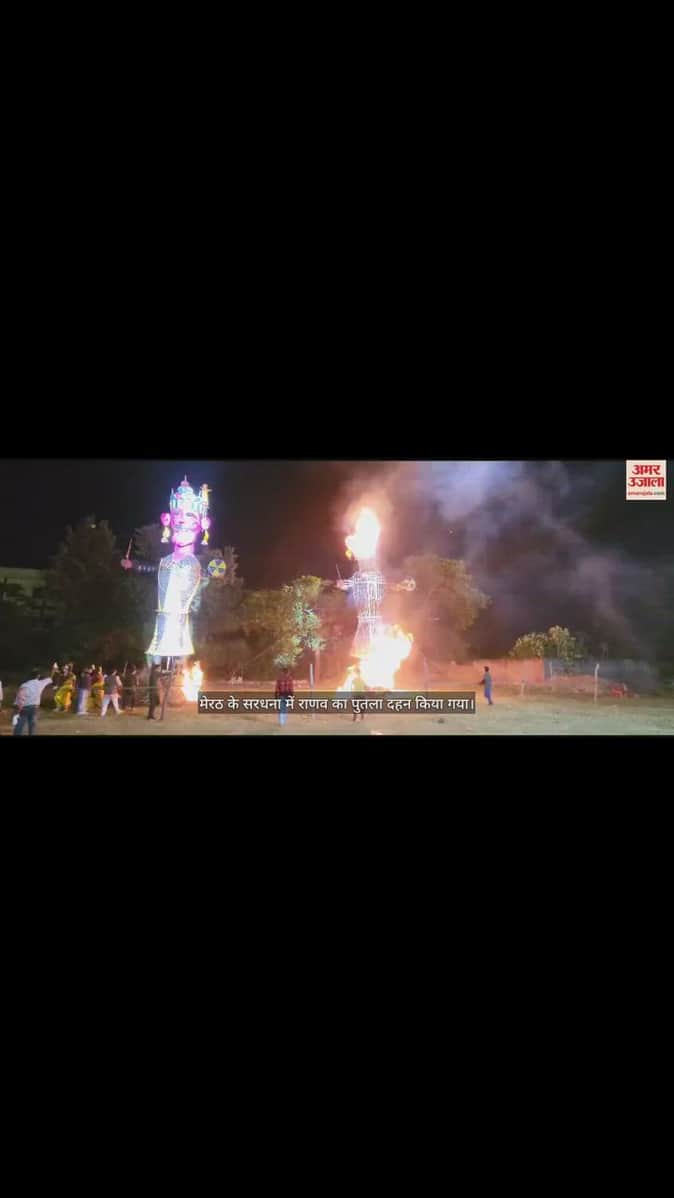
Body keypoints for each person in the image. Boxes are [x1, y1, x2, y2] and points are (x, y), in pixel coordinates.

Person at [12, 666, 58, 736]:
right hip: (34, 707)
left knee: (20, 725)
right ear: (38, 676)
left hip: (24, 707)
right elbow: (50, 679)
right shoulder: (40, 683)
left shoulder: (25, 685)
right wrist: (53, 670)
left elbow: (20, 698)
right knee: (32, 726)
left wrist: (17, 709)